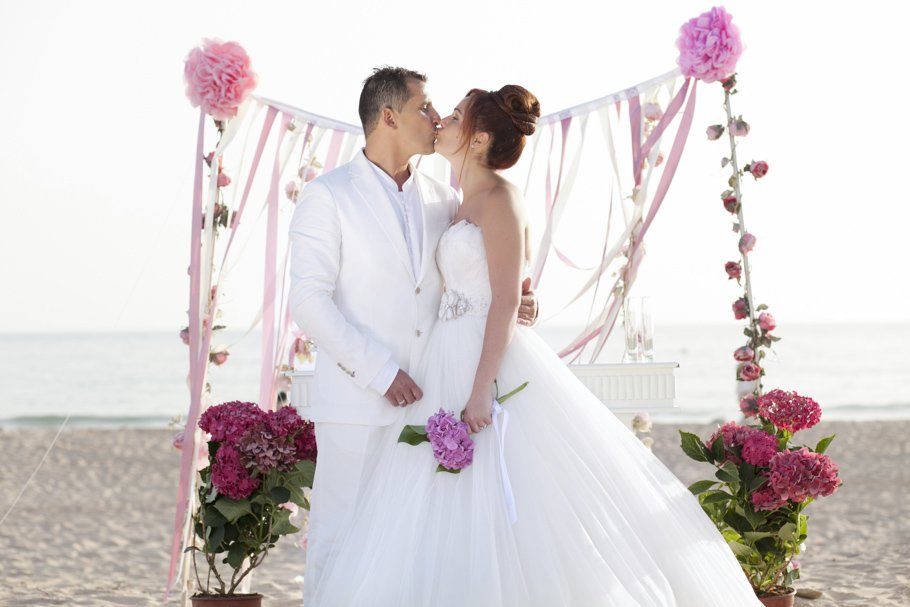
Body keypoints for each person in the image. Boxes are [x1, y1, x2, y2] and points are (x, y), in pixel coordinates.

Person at [305, 85, 764, 606]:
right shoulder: (447, 200)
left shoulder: (495, 197)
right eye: (434, 111)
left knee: (512, 500)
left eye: (452, 114)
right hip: (434, 366)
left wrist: (485, 381)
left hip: (481, 366)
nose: (439, 120)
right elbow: (463, 286)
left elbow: (503, 296)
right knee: (423, 509)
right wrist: (511, 299)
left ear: (479, 138)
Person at [288, 67, 537, 607]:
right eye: (424, 107)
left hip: (433, 401)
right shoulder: (327, 196)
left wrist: (521, 298)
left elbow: (479, 276)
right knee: (340, 543)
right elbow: (308, 302)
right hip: (358, 405)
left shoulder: (445, 198)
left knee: (413, 554)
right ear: (389, 117)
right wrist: (380, 372)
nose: (436, 116)